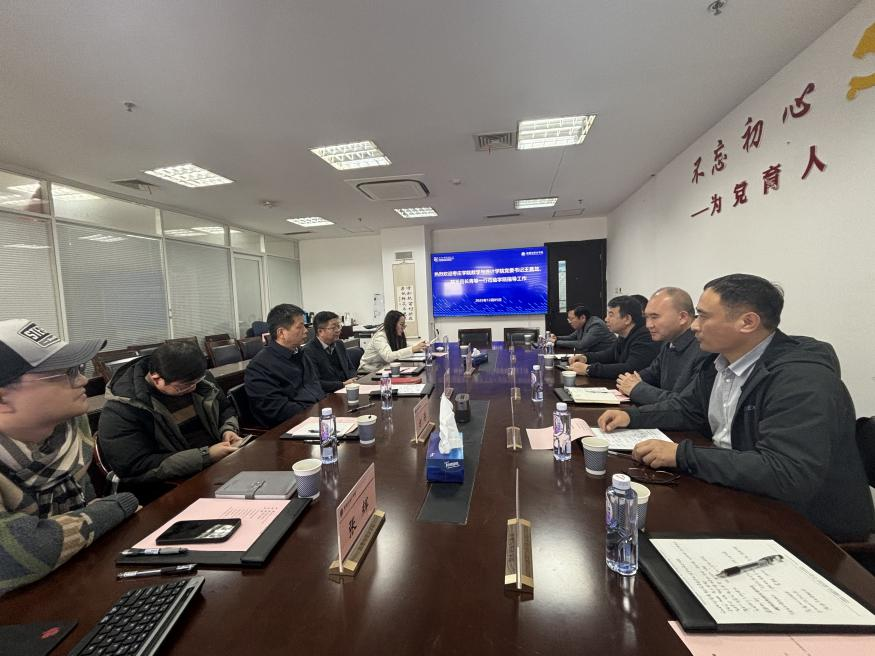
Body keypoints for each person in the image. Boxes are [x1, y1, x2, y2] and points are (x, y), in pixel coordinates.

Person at [598, 274, 874, 541]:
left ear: (748, 322)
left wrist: (682, 455)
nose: (694, 326)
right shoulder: (717, 362)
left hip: (806, 525)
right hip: (738, 490)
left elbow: (786, 472)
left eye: (703, 316)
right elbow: (687, 409)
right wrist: (630, 416)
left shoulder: (802, 380)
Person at [0, 320, 138, 593]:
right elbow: (12, 558)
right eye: (65, 373)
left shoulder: (69, 432)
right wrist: (118, 505)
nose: (83, 380)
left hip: (68, 587)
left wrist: (87, 518)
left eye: (79, 368)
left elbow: (81, 510)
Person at [98, 341, 242, 492]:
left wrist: (228, 429)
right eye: (184, 386)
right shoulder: (122, 409)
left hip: (219, 465)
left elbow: (225, 409)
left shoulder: (199, 380)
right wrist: (206, 456)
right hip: (175, 484)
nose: (193, 388)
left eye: (196, 382)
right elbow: (135, 466)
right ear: (156, 379)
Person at [617, 287, 709, 404]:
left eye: (655, 317)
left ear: (682, 317)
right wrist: (630, 381)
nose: (648, 325)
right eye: (646, 317)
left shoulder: (704, 349)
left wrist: (636, 389)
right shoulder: (669, 342)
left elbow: (688, 405)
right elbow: (652, 373)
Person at [245, 303, 325, 426]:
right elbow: (277, 410)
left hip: (316, 415)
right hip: (291, 427)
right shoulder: (260, 366)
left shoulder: (301, 353)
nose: (306, 331)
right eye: (300, 327)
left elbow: (315, 386)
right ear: (281, 333)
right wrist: (314, 412)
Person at [569, 295, 659, 378]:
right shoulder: (624, 333)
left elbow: (631, 369)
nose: (606, 319)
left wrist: (589, 369)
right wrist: (586, 357)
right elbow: (610, 354)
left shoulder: (646, 337)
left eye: (611, 315)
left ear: (627, 319)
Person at [303, 311, 358, 392]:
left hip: (347, 388)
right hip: (328, 393)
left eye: (339, 326)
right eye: (333, 328)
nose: (338, 330)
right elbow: (315, 382)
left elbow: (350, 368)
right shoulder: (308, 351)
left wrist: (353, 379)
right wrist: (343, 384)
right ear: (320, 331)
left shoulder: (339, 344)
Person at [358, 310, 427, 373]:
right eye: (401, 324)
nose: (403, 327)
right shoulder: (380, 337)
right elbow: (388, 356)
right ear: (392, 324)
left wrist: (419, 346)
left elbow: (405, 345)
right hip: (368, 372)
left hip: (383, 368)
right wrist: (412, 349)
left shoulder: (393, 335)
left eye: (404, 325)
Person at [549, 305, 616, 352]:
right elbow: (571, 337)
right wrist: (557, 338)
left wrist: (556, 342)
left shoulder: (596, 325)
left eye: (571, 319)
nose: (569, 322)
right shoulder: (583, 324)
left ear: (582, 318)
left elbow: (582, 344)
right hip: (594, 355)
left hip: (608, 358)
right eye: (568, 319)